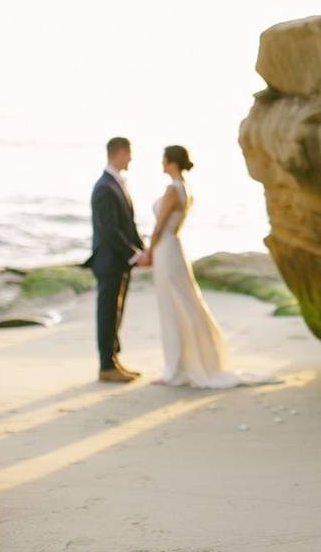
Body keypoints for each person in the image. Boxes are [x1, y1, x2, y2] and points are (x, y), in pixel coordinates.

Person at [146, 145, 276, 388]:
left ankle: (176, 369)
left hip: (166, 250)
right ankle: (187, 364)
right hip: (175, 248)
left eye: (164, 160)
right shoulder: (186, 190)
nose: (161, 164)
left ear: (172, 163)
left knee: (172, 307)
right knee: (185, 304)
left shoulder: (171, 191)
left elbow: (159, 227)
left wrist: (147, 253)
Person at [84, 137, 150, 383]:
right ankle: (106, 366)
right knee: (107, 314)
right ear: (120, 153)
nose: (131, 158)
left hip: (119, 262)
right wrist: (134, 254)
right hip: (109, 262)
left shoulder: (115, 183)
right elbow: (110, 230)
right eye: (129, 153)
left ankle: (113, 361)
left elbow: (128, 225)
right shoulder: (104, 187)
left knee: (115, 313)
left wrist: (142, 250)